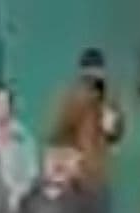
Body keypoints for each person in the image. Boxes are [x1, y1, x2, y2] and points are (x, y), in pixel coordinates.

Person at [49, 48, 124, 192]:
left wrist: (112, 130)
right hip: (74, 178)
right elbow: (56, 138)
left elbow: (115, 144)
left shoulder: (109, 102)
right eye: (89, 76)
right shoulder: (68, 99)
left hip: (98, 177)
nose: (93, 81)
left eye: (97, 76)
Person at [0, 85, 39, 213]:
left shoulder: (22, 136)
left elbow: (31, 173)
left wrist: (17, 194)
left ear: (11, 107)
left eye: (4, 103)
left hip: (13, 204)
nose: (0, 107)